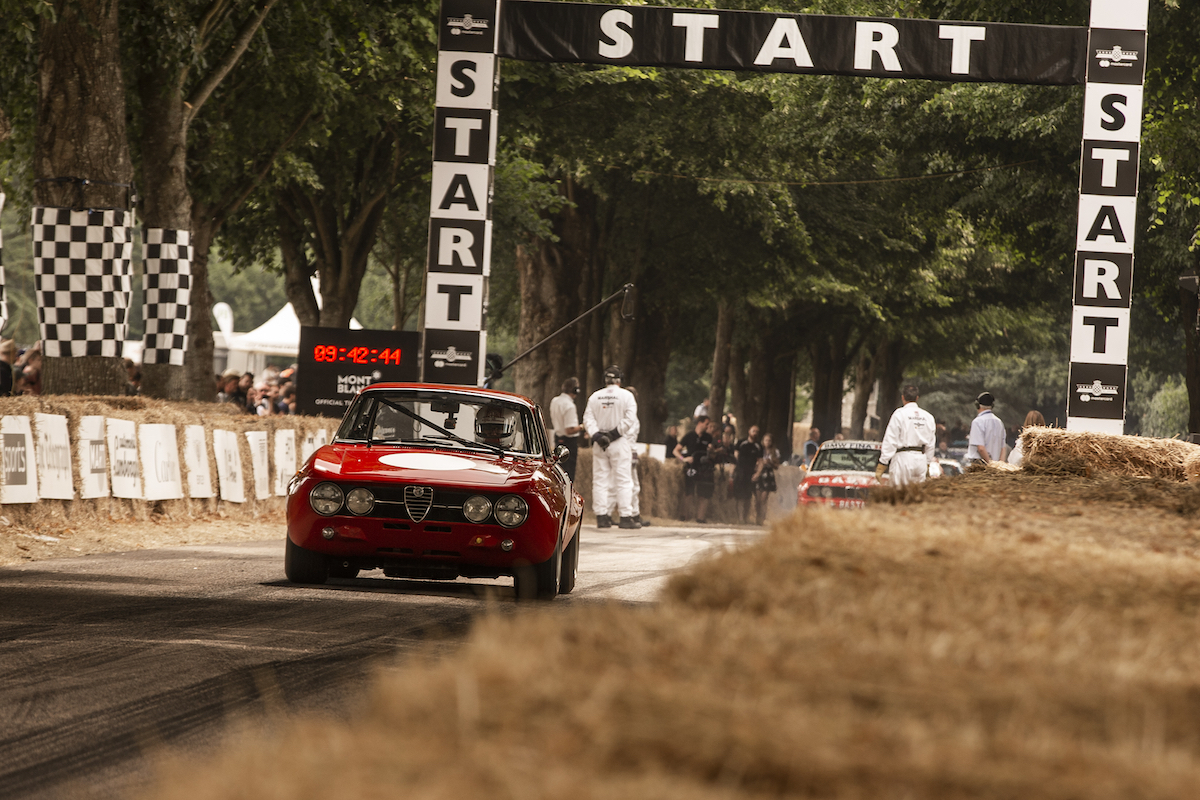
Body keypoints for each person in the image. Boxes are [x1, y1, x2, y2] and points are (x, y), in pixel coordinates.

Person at [583, 365, 640, 529]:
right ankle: (625, 516)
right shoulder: (627, 396)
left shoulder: (595, 396)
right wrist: (614, 434)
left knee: (600, 480)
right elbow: (630, 419)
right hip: (619, 442)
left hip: (599, 443)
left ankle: (602, 516)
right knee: (623, 480)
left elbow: (588, 419)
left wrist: (597, 436)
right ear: (620, 380)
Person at [876, 384, 937, 487]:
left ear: (902, 397)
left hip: (903, 459)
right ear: (917, 398)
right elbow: (931, 444)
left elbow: (890, 440)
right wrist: (927, 463)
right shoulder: (928, 417)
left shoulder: (899, 414)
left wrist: (882, 463)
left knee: (899, 494)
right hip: (920, 460)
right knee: (917, 494)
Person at [674, 415, 715, 523]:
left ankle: (700, 518)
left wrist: (711, 451)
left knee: (704, 493)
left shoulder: (708, 437)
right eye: (706, 424)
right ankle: (684, 516)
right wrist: (684, 459)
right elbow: (676, 450)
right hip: (691, 467)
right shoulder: (689, 436)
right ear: (700, 423)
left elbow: (712, 454)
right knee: (689, 492)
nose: (708, 426)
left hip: (704, 467)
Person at [549, 377, 583, 481]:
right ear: (575, 390)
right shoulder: (569, 406)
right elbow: (570, 430)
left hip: (557, 438)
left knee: (559, 471)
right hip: (569, 442)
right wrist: (583, 426)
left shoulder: (555, 400)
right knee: (569, 474)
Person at [731, 425, 762, 523]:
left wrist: (758, 473)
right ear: (749, 431)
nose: (755, 433)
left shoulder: (758, 446)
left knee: (748, 497)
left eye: (757, 431)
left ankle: (745, 517)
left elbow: (761, 461)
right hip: (740, 472)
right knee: (740, 497)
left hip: (751, 473)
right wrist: (732, 472)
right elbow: (735, 457)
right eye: (753, 431)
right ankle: (740, 518)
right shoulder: (741, 443)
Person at [966, 391, 1005, 466]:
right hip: (996, 464)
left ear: (977, 405)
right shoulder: (999, 422)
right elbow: (1003, 447)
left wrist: (990, 464)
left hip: (980, 465)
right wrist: (1000, 466)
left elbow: (980, 448)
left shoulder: (977, 422)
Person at [754, 432, 781, 525]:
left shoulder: (775, 452)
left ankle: (762, 518)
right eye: (766, 440)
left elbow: (777, 466)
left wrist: (770, 462)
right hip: (759, 473)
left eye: (769, 440)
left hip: (768, 474)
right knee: (757, 498)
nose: (767, 442)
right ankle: (757, 516)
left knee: (763, 498)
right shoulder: (758, 450)